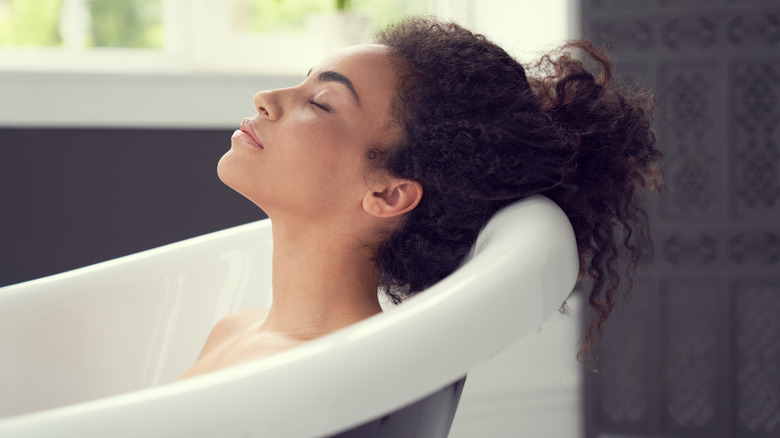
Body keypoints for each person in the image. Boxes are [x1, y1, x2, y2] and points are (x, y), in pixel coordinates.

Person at [179, 17, 663, 380]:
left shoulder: (333, 374)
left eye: (321, 102)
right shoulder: (232, 332)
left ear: (388, 193)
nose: (266, 97)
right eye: (304, 81)